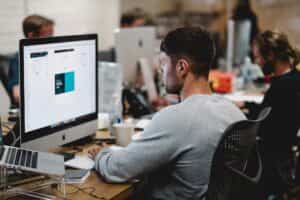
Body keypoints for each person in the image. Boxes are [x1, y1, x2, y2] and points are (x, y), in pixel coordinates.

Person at [89, 27, 245, 199]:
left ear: (181, 67)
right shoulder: (233, 111)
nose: (160, 71)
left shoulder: (176, 118)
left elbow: (117, 169)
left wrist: (101, 154)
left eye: (163, 64)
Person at [236, 30, 300, 198]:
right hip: (282, 158)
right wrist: (247, 104)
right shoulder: (293, 79)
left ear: (270, 54)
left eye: (258, 57)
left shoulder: (281, 87)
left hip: (269, 165)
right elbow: (270, 111)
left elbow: (262, 125)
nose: (256, 63)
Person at [8, 14, 54, 106]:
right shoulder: (18, 60)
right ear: (31, 36)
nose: (52, 40)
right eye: (47, 37)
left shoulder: (49, 54)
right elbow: (17, 95)